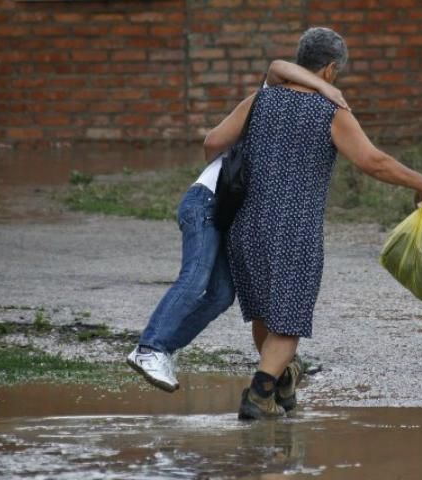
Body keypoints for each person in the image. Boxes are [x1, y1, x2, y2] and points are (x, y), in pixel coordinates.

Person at [203, 27, 422, 420]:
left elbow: (213, 142)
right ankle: (259, 394)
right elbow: (374, 162)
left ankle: (282, 380)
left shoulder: (259, 101)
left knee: (265, 313)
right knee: (290, 318)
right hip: (294, 228)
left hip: (244, 225)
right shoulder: (329, 111)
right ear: (331, 70)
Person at [126, 60, 350, 392]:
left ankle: (165, 350)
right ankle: (149, 348)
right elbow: (276, 66)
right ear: (329, 70)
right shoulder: (269, 99)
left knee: (221, 295)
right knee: (196, 278)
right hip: (206, 201)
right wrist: (326, 88)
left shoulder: (282, 116)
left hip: (224, 212)